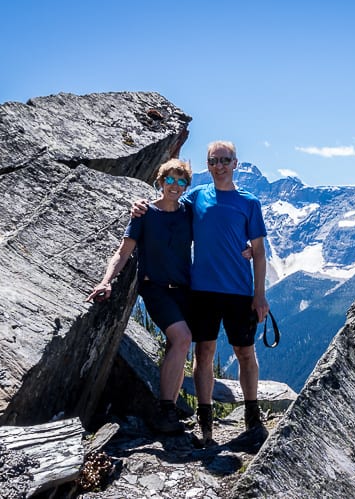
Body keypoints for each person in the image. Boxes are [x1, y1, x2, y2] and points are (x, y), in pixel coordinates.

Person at [133, 140, 269, 448]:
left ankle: (252, 418)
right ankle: (205, 423)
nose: (219, 165)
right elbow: (167, 202)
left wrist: (259, 295)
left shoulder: (250, 203)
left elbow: (259, 253)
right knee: (203, 354)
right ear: (208, 166)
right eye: (213, 161)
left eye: (225, 160)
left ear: (236, 163)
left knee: (245, 353)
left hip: (238, 291)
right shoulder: (196, 197)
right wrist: (141, 206)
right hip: (202, 291)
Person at [87, 158, 195, 434]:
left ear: (186, 186)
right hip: (156, 289)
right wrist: (106, 281)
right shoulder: (144, 213)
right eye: (169, 179)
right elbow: (123, 252)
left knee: (178, 346)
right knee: (182, 339)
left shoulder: (189, 212)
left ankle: (167, 410)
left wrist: (243, 247)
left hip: (184, 290)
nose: (174, 185)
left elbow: (215, 232)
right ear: (160, 182)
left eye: (181, 181)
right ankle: (166, 409)